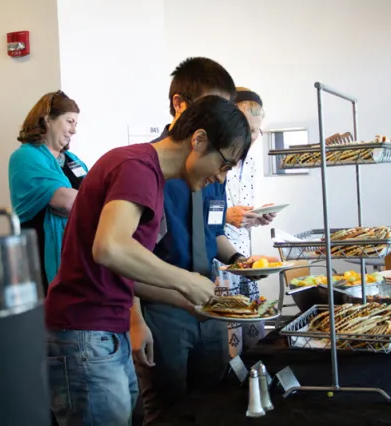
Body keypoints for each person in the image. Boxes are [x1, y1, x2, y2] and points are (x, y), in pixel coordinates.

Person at [45, 94, 252, 426]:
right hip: (86, 333)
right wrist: (186, 281)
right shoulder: (138, 167)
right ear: (198, 139)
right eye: (224, 163)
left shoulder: (148, 173)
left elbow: (124, 269)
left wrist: (193, 303)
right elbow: (110, 248)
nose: (221, 177)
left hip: (103, 333)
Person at [131, 58, 277, 425]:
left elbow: (214, 232)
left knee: (213, 400)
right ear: (181, 105)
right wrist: (136, 321)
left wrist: (242, 262)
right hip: (164, 308)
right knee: (169, 407)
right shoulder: (148, 169)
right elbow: (121, 257)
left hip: (209, 303)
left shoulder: (216, 163)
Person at [8, 90, 88, 293]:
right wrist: (100, 201)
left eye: (76, 124)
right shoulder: (25, 157)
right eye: (70, 122)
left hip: (79, 254)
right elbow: (67, 201)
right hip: (42, 258)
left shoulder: (73, 160)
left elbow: (91, 196)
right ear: (47, 120)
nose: (74, 130)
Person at [225, 87, 277, 353]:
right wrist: (226, 215)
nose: (256, 137)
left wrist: (256, 217)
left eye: (258, 130)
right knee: (229, 334)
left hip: (244, 253)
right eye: (251, 129)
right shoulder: (219, 158)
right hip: (220, 260)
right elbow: (199, 209)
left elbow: (240, 207)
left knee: (253, 332)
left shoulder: (251, 161)